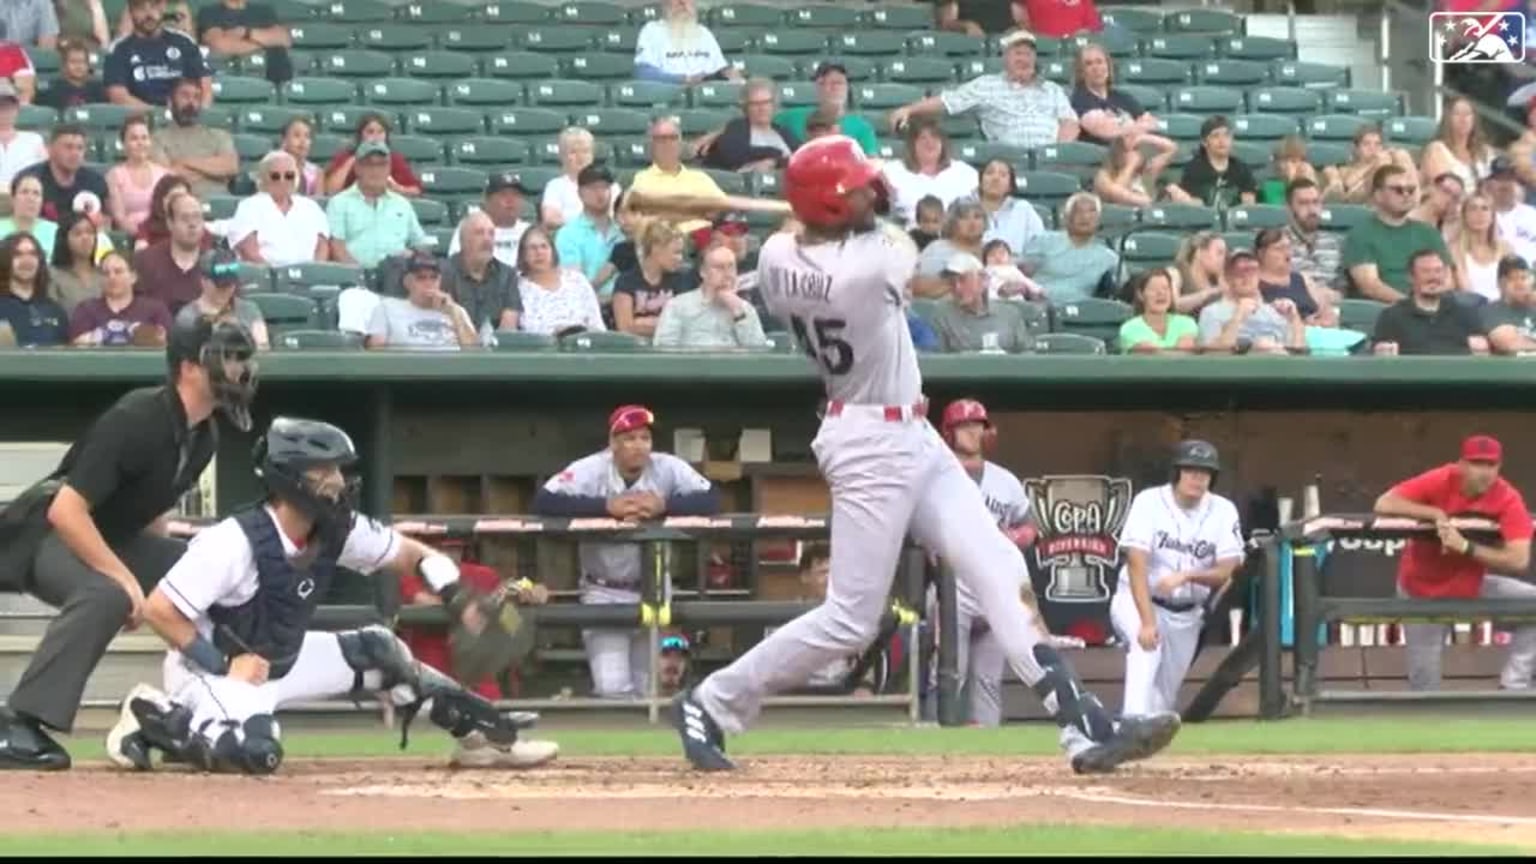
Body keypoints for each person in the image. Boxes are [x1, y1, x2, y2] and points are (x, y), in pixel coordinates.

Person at [649, 135, 1180, 774]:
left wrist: (828, 215)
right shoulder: (869, 270)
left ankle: (1082, 725)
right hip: (869, 443)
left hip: (912, 432)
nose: (872, 193)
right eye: (856, 191)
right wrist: (851, 215)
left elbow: (825, 234)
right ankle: (710, 700)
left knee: (997, 564)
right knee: (851, 619)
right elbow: (908, 245)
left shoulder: (783, 255)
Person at [103, 416, 560, 774]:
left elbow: (409, 554)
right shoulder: (233, 541)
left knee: (381, 651)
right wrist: (223, 663)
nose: (338, 482)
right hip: (216, 673)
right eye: (324, 471)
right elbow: (159, 609)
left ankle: (482, 739)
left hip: (280, 659)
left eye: (338, 470)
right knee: (254, 753)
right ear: (290, 478)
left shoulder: (336, 529)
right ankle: (153, 712)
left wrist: (456, 594)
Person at [0, 315, 255, 770]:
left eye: (239, 358)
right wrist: (128, 582)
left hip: (108, 536)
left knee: (200, 568)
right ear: (188, 367)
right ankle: (18, 723)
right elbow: (66, 509)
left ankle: (206, 708)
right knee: (107, 594)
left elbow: (151, 511)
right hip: (43, 533)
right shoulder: (138, 415)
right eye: (224, 357)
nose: (236, 368)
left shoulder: (204, 437)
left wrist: (165, 578)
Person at [532, 405, 719, 699]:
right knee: (612, 689)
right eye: (629, 438)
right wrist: (603, 508)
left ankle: (651, 746)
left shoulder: (667, 466)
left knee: (650, 689)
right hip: (603, 591)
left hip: (654, 588)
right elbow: (544, 501)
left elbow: (710, 499)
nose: (639, 445)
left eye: (645, 438)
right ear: (613, 443)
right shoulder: (591, 469)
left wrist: (665, 506)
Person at [936, 399, 1064, 728]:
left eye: (978, 426)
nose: (973, 433)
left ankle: (986, 746)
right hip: (954, 584)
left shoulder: (1005, 480)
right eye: (965, 426)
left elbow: (1031, 526)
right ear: (948, 433)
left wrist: (1016, 538)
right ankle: (936, 742)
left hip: (996, 584)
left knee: (989, 680)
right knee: (950, 674)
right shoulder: (935, 476)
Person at [1373, 435, 1536, 692]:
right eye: (1476, 464)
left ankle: (1513, 686)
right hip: (1421, 591)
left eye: (1490, 465)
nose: (1483, 472)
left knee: (1533, 604)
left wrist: (1465, 547)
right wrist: (1436, 514)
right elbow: (1384, 503)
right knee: (1424, 687)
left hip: (1471, 586)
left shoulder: (1506, 496)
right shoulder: (1441, 479)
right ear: (1461, 464)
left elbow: (1519, 559)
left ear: (1499, 468)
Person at [1110, 440, 1245, 720]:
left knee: (1163, 701)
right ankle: (1130, 721)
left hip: (1187, 613)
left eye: (1205, 473)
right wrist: (1147, 621)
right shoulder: (1148, 502)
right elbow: (1136, 563)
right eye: (1191, 470)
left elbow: (1227, 571)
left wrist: (1188, 575)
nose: (1197, 478)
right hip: (1139, 599)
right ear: (1177, 472)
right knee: (1146, 646)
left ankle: (1131, 730)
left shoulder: (1223, 510)